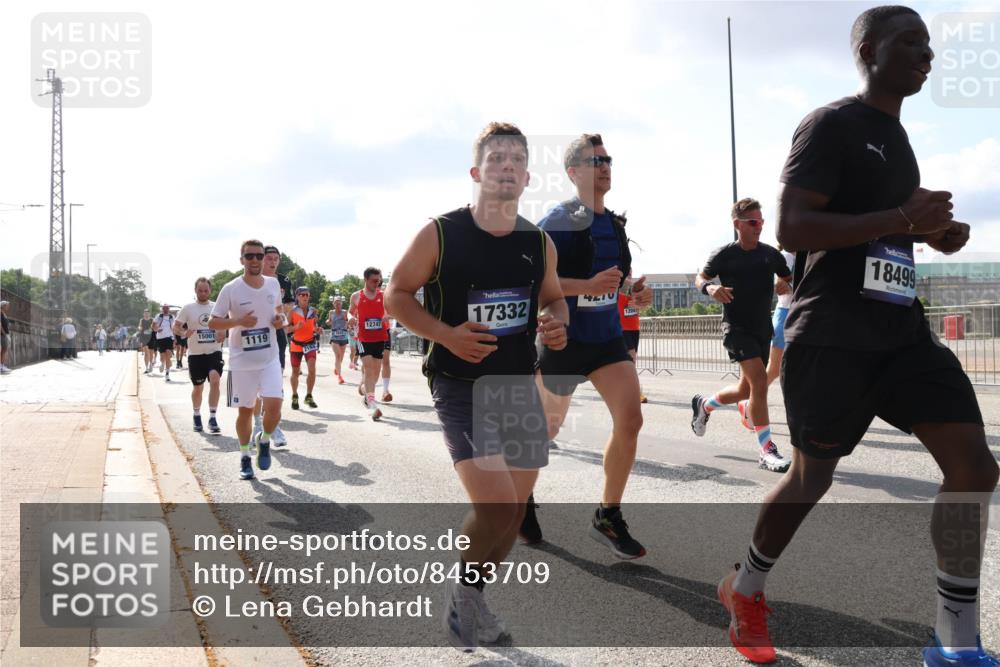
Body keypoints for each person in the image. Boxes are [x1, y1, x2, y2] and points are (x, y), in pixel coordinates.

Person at [717, 7, 998, 665]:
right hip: (833, 334)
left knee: (975, 465)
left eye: (930, 44)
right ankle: (747, 587)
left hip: (902, 332)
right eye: (910, 41)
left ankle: (955, 639)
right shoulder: (831, 123)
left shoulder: (898, 140)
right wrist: (904, 214)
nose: (926, 53)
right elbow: (793, 225)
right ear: (869, 49)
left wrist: (926, 233)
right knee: (813, 477)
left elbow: (879, 231)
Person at [385, 121, 568, 652]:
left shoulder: (538, 241)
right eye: (496, 159)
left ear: (528, 176)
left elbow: (553, 298)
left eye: (516, 159)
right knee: (494, 507)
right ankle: (463, 601)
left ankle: (472, 596)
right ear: (476, 171)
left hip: (516, 385)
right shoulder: (440, 233)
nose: (506, 166)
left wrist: (557, 322)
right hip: (461, 384)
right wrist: (445, 334)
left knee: (514, 509)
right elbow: (398, 294)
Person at [533, 133, 653, 557]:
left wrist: (634, 294)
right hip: (564, 340)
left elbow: (616, 283)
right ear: (573, 172)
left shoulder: (614, 225)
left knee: (631, 420)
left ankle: (607, 514)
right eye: (595, 160)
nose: (605, 166)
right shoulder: (558, 222)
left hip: (605, 341)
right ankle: (521, 501)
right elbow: (535, 282)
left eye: (608, 159)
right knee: (545, 430)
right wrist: (584, 285)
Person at [690, 198, 793, 473]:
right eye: (753, 222)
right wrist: (709, 289)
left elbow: (790, 276)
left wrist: (785, 282)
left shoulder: (771, 255)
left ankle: (704, 405)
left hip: (762, 329)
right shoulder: (724, 254)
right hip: (736, 329)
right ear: (738, 225)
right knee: (759, 382)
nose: (759, 226)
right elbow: (700, 278)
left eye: (761, 221)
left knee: (746, 389)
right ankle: (766, 449)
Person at [209, 240, 286, 480]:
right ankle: (244, 456)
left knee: (275, 407)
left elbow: (280, 312)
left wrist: (279, 321)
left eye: (259, 256)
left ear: (264, 259)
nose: (255, 260)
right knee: (245, 412)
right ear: (241, 259)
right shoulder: (231, 289)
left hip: (269, 357)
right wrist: (237, 321)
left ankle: (264, 441)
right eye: (249, 256)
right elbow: (213, 322)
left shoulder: (273, 284)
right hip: (242, 362)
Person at [736, 246, 796, 429]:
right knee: (773, 370)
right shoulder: (786, 256)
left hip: (799, 314)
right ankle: (749, 404)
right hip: (786, 314)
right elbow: (782, 288)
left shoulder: (806, 254)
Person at [252, 245, 293, 446]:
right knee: (257, 386)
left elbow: (288, 305)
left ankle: (274, 426)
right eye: (269, 258)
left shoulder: (283, 281)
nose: (273, 262)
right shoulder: (252, 279)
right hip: (256, 334)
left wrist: (281, 317)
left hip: (277, 334)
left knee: (275, 385)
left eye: (276, 258)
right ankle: (257, 424)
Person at [175, 277, 225, 434]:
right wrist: (184, 332)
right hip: (196, 354)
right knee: (198, 387)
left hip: (214, 352)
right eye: (200, 290)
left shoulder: (217, 307)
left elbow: (225, 324)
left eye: (206, 290)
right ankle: (196, 415)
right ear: (195, 291)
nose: (203, 293)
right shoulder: (188, 308)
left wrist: (223, 332)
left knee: (215, 379)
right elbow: (175, 327)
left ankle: (212, 417)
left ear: (210, 290)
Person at [349, 268, 389, 421]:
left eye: (379, 280)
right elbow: (350, 312)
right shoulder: (356, 296)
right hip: (363, 338)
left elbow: (391, 312)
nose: (377, 283)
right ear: (366, 279)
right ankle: (372, 405)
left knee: (375, 374)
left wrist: (387, 317)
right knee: (369, 368)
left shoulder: (383, 295)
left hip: (380, 337)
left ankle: (366, 393)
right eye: (374, 280)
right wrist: (350, 318)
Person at [288, 286, 319, 410]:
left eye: (307, 294)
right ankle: (295, 395)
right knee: (295, 372)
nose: (305, 297)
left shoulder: (313, 311)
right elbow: (285, 329)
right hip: (296, 344)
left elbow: (314, 326)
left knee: (312, 370)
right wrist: (295, 328)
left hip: (310, 343)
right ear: (297, 297)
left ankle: (309, 396)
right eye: (302, 295)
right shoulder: (292, 311)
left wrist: (317, 329)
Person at [617, 273, 646, 403]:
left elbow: (640, 306)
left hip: (634, 326)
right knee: (631, 358)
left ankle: (621, 389)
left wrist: (639, 304)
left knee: (631, 361)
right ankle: (635, 392)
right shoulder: (619, 284)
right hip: (622, 327)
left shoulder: (633, 287)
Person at [327, 296, 349, 384]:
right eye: (336, 303)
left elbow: (348, 321)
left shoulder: (345, 312)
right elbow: (328, 321)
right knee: (338, 355)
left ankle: (337, 367)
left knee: (341, 357)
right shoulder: (331, 313)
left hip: (343, 336)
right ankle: (340, 376)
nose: (338, 304)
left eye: (339, 303)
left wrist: (347, 320)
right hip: (334, 336)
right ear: (333, 304)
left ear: (341, 304)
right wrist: (328, 322)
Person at [151, 304, 176, 381]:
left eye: (167, 308)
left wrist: (175, 338)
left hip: (169, 337)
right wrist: (157, 329)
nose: (165, 309)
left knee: (168, 354)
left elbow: (174, 327)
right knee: (162, 356)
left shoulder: (172, 317)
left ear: (169, 309)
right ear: (162, 309)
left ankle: (167, 374)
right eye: (164, 308)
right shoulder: (158, 316)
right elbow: (153, 325)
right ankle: (162, 363)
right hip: (160, 338)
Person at [380, 316, 394, 402]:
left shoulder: (386, 301)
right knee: (373, 364)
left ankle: (385, 391)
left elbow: (394, 312)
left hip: (385, 330)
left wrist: (388, 316)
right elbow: (351, 311)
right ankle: (366, 386)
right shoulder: (359, 301)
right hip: (369, 331)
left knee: (386, 361)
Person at [1, 300, 12, 373]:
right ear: (3, 306)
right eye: (7, 305)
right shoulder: (0, 313)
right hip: (2, 334)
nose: (8, 307)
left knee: (4, 350)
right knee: (3, 350)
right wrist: (4, 334)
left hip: (5, 334)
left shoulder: (3, 313)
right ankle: (1, 366)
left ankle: (2, 365)